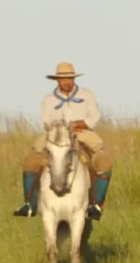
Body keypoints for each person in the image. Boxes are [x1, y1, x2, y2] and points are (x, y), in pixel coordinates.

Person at [13, 63, 113, 221]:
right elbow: (44, 122)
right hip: (56, 135)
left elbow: (94, 117)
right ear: (57, 81)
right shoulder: (49, 100)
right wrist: (59, 127)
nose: (67, 81)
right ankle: (30, 204)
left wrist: (80, 124)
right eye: (63, 79)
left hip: (82, 133)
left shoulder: (87, 95)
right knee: (31, 160)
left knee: (103, 161)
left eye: (70, 78)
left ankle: (96, 204)